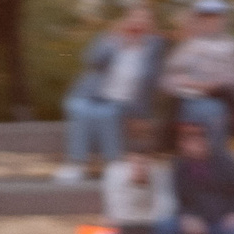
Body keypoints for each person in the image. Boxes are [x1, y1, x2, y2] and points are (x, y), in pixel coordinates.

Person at [58, 6, 160, 183]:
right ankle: (76, 164)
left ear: (150, 25)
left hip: (123, 102)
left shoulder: (153, 47)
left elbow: (150, 85)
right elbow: (90, 60)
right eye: (135, 19)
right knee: (79, 108)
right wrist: (116, 42)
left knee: (107, 113)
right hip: (91, 96)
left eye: (144, 20)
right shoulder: (110, 40)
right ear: (126, 20)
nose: (139, 24)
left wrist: (143, 115)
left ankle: (113, 165)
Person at [162, 0, 234, 150]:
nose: (210, 21)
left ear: (224, 19)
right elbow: (168, 79)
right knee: (185, 117)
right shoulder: (188, 46)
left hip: (221, 99)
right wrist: (185, 83)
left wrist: (210, 85)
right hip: (187, 99)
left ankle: (214, 158)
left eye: (215, 17)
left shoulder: (232, 46)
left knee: (211, 113)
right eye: (205, 17)